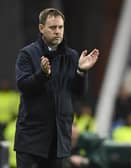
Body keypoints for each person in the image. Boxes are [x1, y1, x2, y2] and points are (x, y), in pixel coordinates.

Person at [14, 8, 99, 168]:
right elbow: (23, 85)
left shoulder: (72, 56)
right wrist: (42, 75)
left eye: (60, 27)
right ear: (41, 28)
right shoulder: (27, 54)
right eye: (53, 28)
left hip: (59, 140)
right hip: (32, 141)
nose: (57, 32)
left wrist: (81, 71)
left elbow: (78, 93)